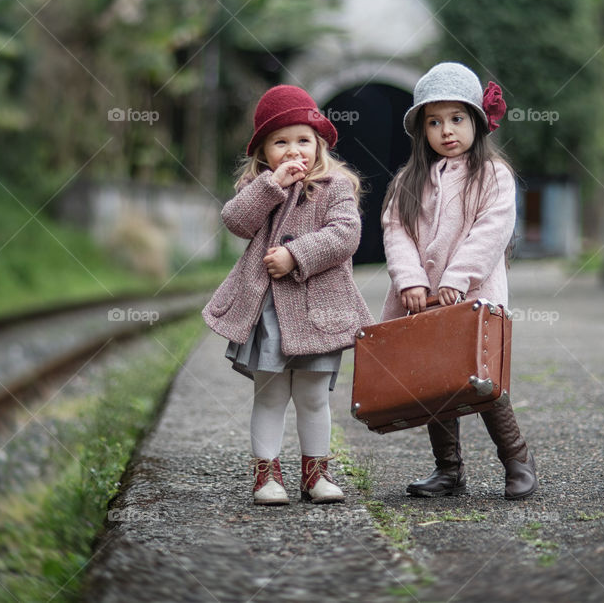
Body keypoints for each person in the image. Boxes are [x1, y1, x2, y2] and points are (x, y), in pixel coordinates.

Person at [203, 85, 373, 505]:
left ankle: (315, 475)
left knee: (314, 396)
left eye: (303, 141)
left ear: (319, 145)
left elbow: (346, 234)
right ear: (263, 150)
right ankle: (267, 477)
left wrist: (296, 255)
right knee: (272, 393)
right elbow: (236, 221)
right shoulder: (260, 187)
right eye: (280, 142)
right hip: (269, 313)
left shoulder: (335, 186)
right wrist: (270, 187)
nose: (293, 151)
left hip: (320, 311)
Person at [380, 62, 538, 500]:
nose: (446, 130)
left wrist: (457, 278)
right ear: (422, 131)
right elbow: (396, 232)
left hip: (474, 296)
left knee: (482, 381)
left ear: (477, 122)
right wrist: (410, 280)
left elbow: (491, 230)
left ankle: (517, 460)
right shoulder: (408, 182)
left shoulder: (493, 175)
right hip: (422, 301)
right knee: (436, 382)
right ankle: (449, 471)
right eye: (434, 121)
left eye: (457, 118)